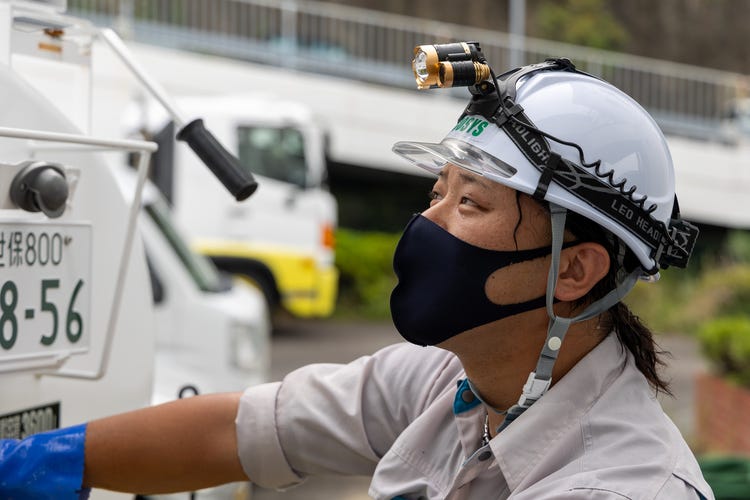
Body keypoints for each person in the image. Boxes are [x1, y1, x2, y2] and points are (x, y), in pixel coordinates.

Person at [0, 46, 714, 500]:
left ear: (575, 270)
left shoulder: (621, 487)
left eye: (470, 202)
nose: (427, 223)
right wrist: (35, 461)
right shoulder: (450, 383)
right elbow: (239, 431)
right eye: (437, 192)